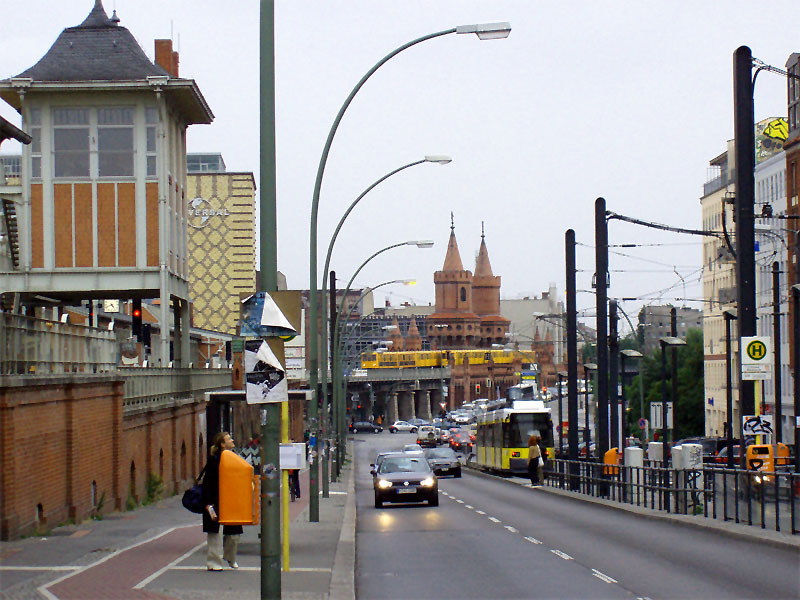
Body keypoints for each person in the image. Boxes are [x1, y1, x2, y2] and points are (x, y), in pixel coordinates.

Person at [202, 432, 243, 571]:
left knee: (234, 533)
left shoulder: (236, 458)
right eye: (229, 439)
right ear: (222, 444)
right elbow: (208, 483)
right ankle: (214, 562)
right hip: (215, 499)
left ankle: (230, 557)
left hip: (232, 499)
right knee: (215, 533)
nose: (232, 440)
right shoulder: (215, 460)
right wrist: (208, 503)